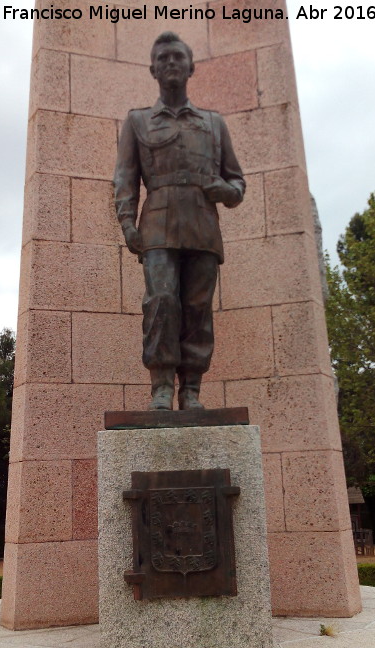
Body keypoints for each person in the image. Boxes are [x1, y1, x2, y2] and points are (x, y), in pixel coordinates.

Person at [114, 32, 245, 410]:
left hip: (203, 227)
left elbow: (237, 181)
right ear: (152, 68)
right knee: (161, 302)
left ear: (191, 67)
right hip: (155, 228)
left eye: (177, 57)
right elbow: (125, 178)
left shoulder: (213, 123)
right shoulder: (137, 121)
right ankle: (160, 387)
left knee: (198, 307)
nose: (171, 63)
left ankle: (191, 389)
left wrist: (226, 190)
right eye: (163, 57)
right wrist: (127, 224)